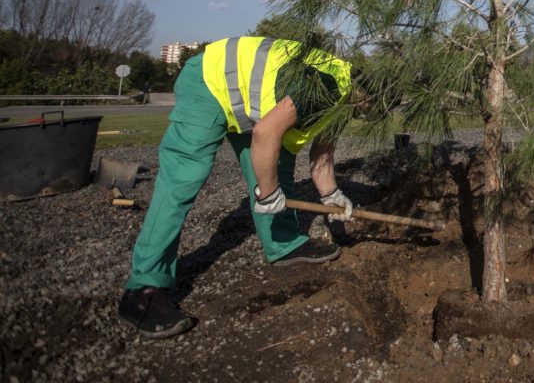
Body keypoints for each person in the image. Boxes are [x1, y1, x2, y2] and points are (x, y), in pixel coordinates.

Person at [117, 36, 361, 338]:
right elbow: (264, 133)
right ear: (366, 91)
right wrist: (268, 194)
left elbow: (322, 153)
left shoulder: (345, 94)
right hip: (209, 81)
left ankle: (284, 243)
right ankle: (142, 290)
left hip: (247, 101)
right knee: (182, 179)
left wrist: (331, 194)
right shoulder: (327, 84)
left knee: (278, 164)